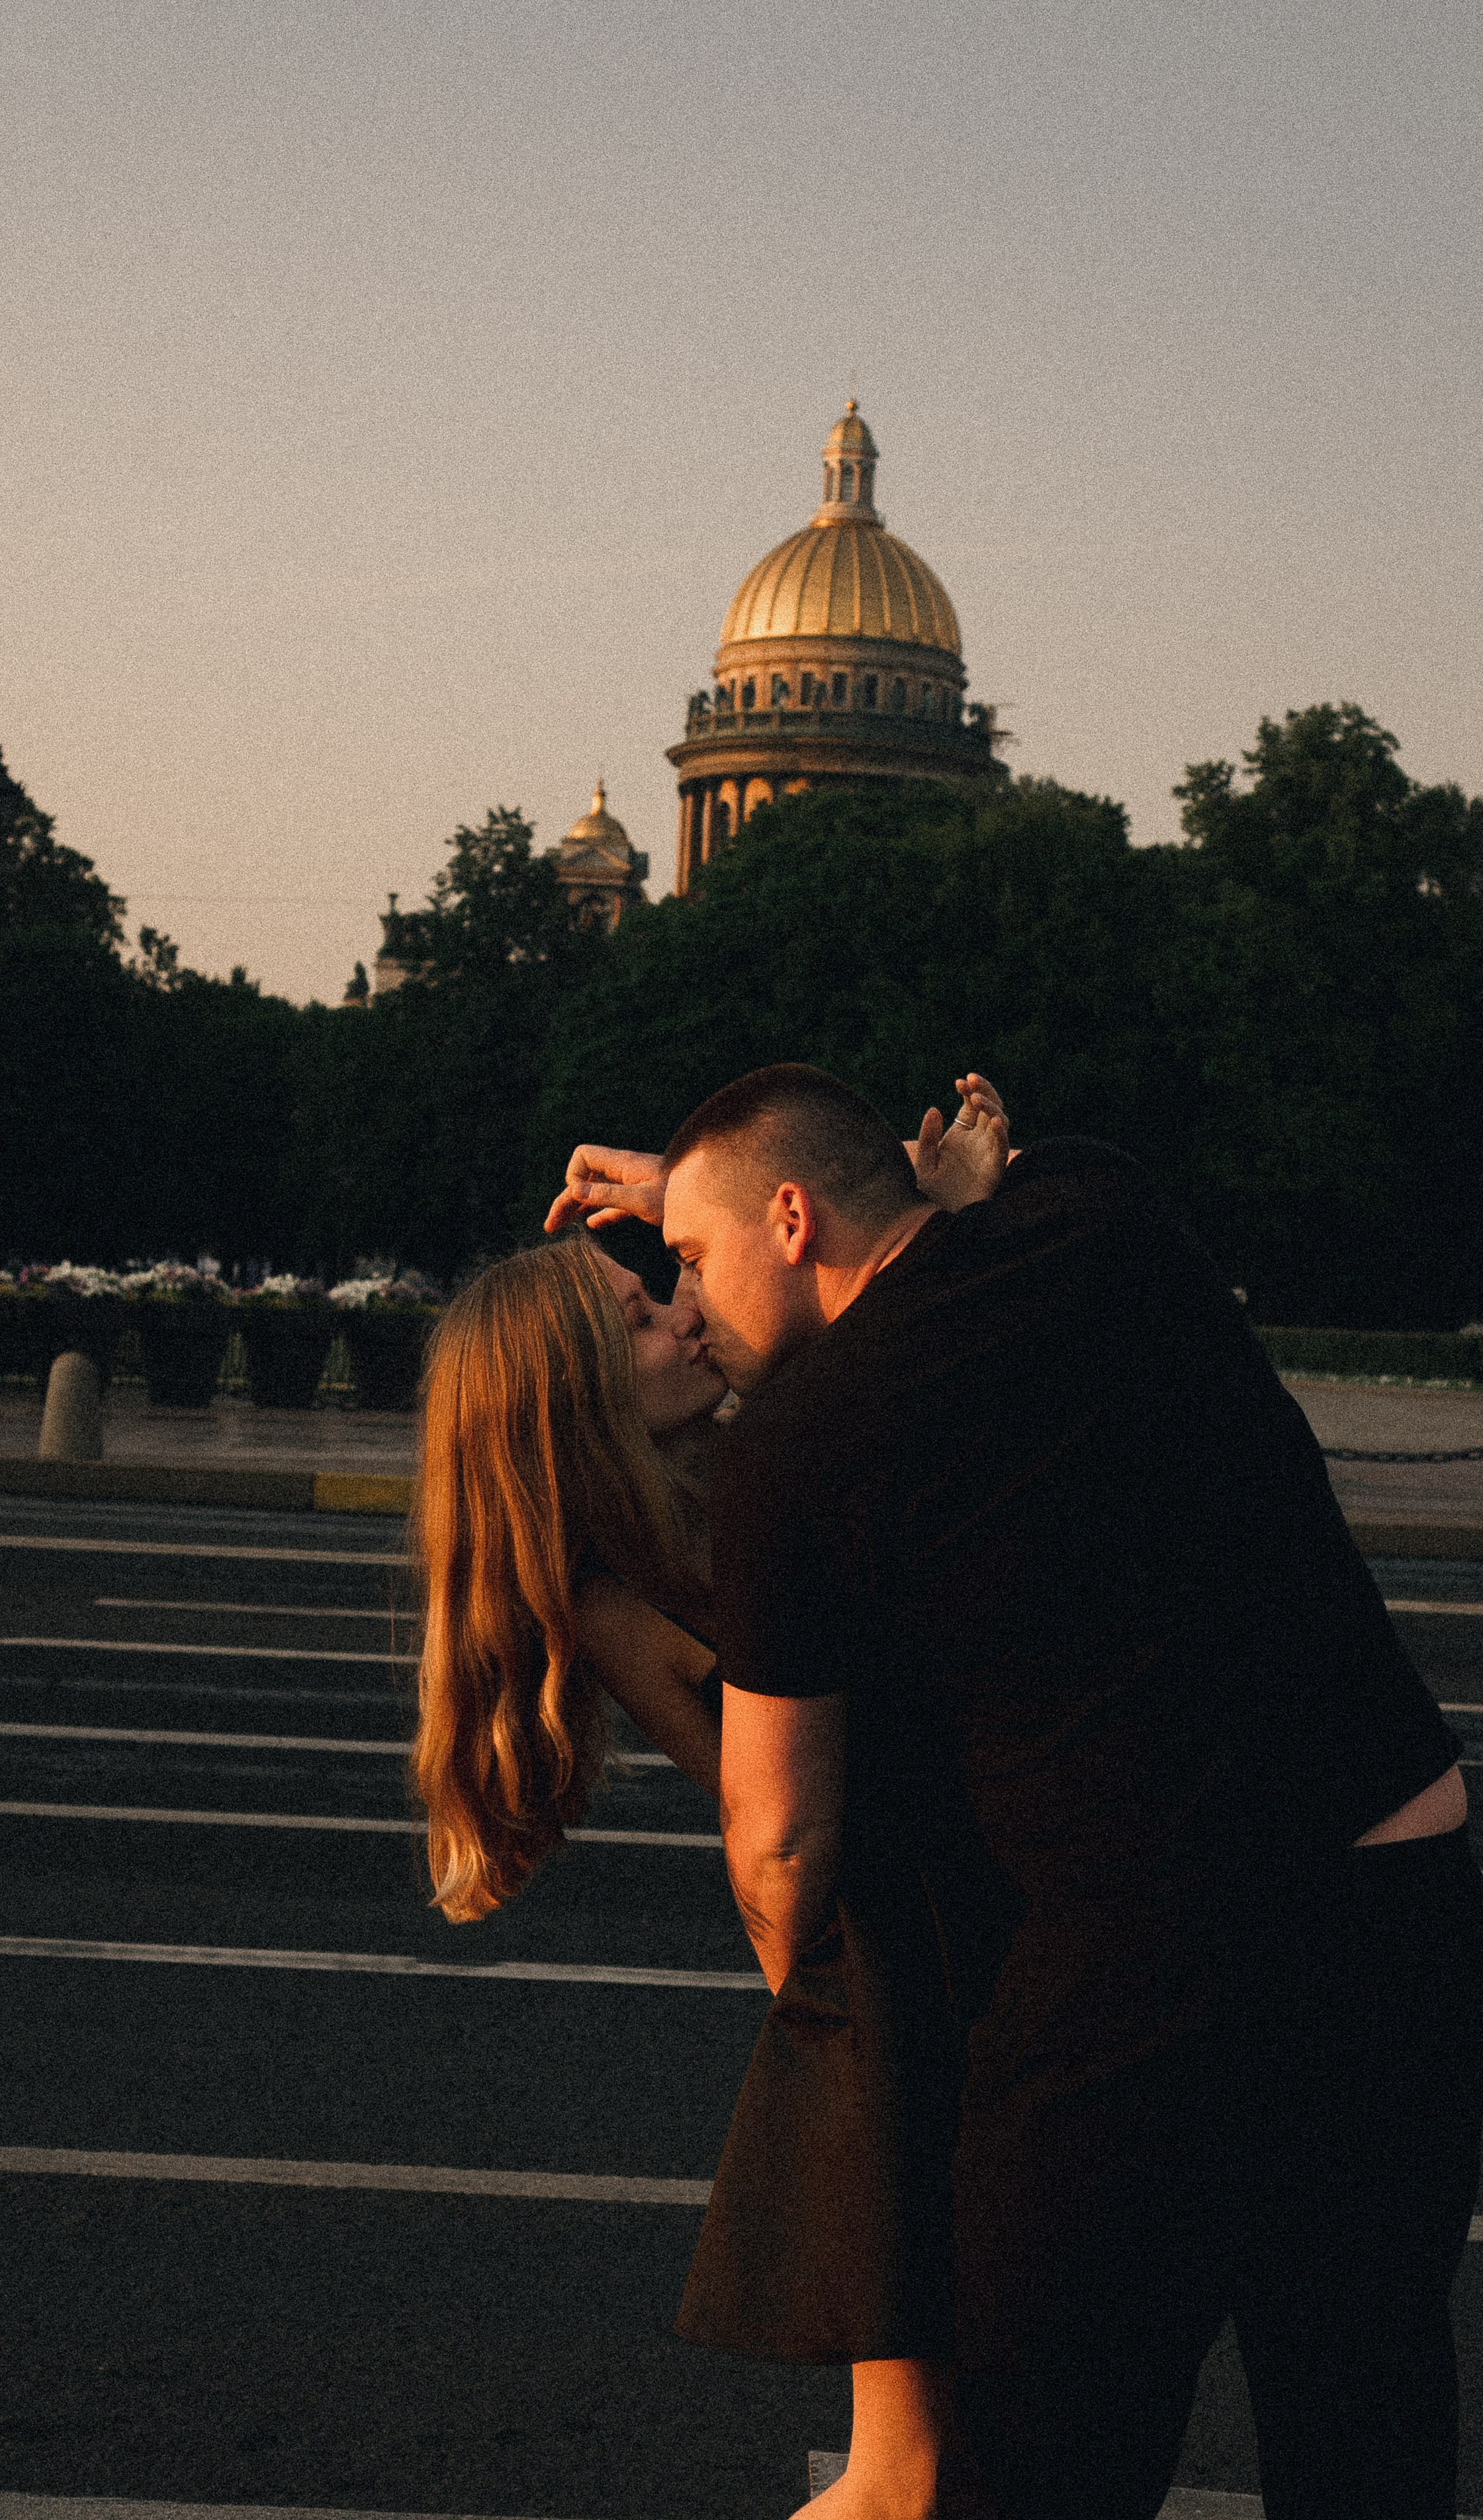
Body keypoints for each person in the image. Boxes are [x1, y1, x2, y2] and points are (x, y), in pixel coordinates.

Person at [550, 1066, 1483, 2520]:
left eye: (690, 1257)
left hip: (1138, 1978)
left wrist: (831, 2010)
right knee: (1362, 2405)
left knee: (1042, 2448)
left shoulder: (798, 1451)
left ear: (788, 1222)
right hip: (1399, 1904)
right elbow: (928, 1187)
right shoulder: (1104, 1211)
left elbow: (780, 1830)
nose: (688, 1300)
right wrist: (717, 1181)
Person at [410, 1079, 1012, 2520]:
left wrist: (704, 1196)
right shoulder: (635, 1589)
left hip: (919, 1972)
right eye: (642, 1316)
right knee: (906, 2480)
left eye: (669, 1281)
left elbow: (812, 1277)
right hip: (889, 2000)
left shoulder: (728, 1487)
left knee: (962, 2465)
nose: (683, 1313)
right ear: (575, 1401)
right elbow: (784, 1832)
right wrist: (937, 1217)